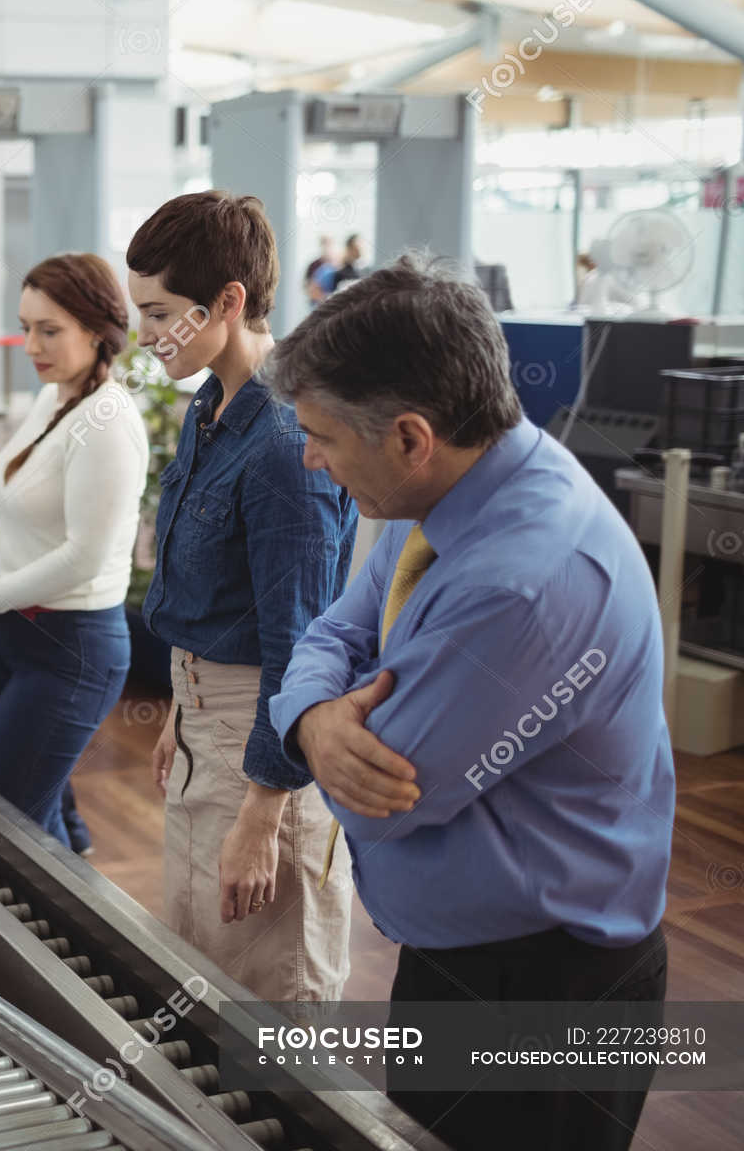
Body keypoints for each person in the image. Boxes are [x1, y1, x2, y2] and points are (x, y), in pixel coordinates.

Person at [266, 254, 674, 1150]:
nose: (311, 456)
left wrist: (321, 727)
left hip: (539, 987)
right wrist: (310, 716)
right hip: (469, 958)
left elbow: (380, 808)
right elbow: (336, 628)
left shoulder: (520, 584)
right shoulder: (454, 490)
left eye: (324, 436)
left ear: (410, 434)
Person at [130, 190, 358, 1002]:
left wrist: (264, 816)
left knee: (273, 995)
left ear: (227, 301)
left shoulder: (286, 444)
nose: (148, 337)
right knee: (205, 972)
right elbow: (216, 598)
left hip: (266, 746)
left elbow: (296, 645)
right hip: (205, 724)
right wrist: (182, 714)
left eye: (161, 315)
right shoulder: (210, 408)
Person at [0, 254, 146, 850]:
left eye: (49, 331)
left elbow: (81, 560)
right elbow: (19, 521)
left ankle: (69, 941)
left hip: (72, 647)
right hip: (13, 637)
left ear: (97, 331)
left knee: (13, 823)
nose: (29, 345)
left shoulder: (108, 421)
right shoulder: (54, 399)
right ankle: (63, 934)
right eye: (25, 327)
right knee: (24, 817)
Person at [303, 234, 338, 306]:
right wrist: (320, 298)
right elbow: (307, 285)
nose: (327, 247)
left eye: (329, 244)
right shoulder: (314, 265)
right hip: (317, 304)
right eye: (325, 244)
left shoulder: (337, 265)